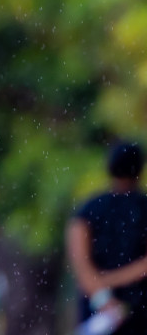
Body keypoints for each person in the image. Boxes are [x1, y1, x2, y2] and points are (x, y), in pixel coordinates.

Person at [68, 142, 147, 335]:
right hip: (140, 312)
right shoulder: (143, 207)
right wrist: (112, 280)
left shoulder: (88, 209)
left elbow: (80, 263)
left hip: (96, 315)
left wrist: (102, 297)